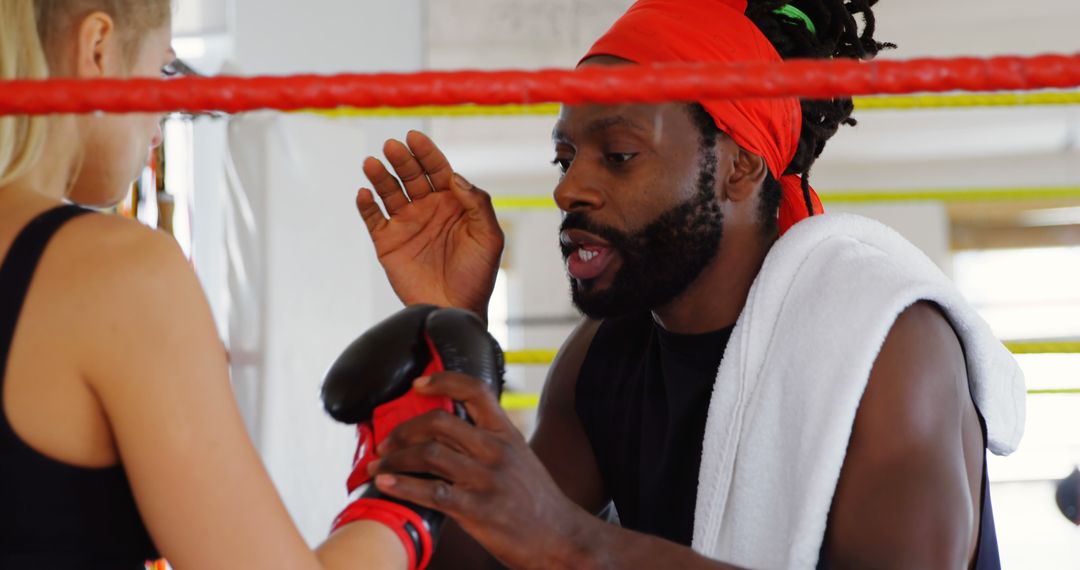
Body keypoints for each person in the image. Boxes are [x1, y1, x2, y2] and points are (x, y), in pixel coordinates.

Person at [355, 0, 1025, 568]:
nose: (568, 187)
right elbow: (471, 557)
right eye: (565, 156)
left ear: (739, 166)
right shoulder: (603, 358)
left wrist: (571, 541)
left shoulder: (886, 344)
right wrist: (452, 328)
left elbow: (549, 541)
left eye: (617, 155)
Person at [0, 1, 431, 568]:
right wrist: (411, 491)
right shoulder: (113, 270)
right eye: (160, 72)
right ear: (98, 50)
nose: (161, 118)